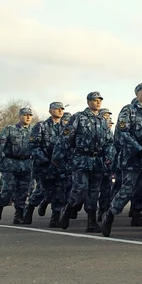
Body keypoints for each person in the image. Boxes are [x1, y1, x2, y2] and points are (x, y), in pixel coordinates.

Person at [102, 82, 142, 239]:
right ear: (137, 93)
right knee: (127, 191)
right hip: (132, 157)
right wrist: (137, 149)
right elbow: (123, 132)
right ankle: (109, 215)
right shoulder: (128, 110)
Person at [54, 92, 113, 232]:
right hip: (81, 159)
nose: (98, 102)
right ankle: (67, 210)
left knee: (94, 192)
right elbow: (66, 137)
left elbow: (109, 141)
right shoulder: (78, 118)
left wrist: (109, 157)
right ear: (88, 102)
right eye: (95, 100)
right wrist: (57, 156)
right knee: (80, 189)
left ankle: (91, 223)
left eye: (100, 100)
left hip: (97, 161)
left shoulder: (103, 121)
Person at [25, 102, 68, 227]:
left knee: (60, 192)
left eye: (62, 109)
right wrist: (45, 160)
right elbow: (33, 145)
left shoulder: (65, 128)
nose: (60, 111)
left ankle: (55, 218)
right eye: (57, 108)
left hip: (60, 165)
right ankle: (31, 207)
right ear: (50, 110)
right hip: (45, 165)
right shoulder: (41, 126)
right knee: (43, 191)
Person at [0, 108, 34, 223]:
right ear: (19, 116)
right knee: (8, 189)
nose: (28, 117)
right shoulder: (10, 129)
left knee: (23, 191)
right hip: (10, 164)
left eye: (30, 115)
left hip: (26, 164)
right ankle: (0, 204)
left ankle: (18, 215)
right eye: (25, 115)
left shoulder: (34, 131)